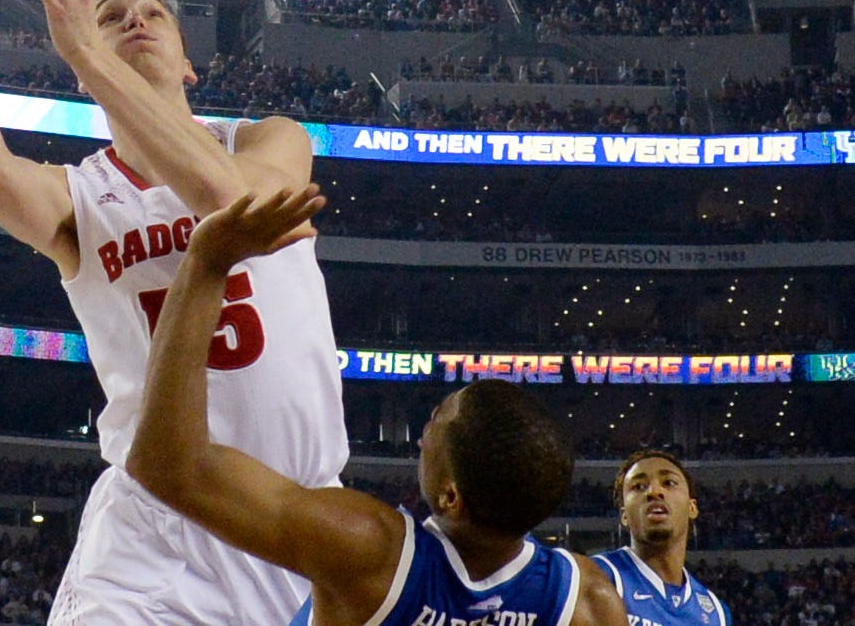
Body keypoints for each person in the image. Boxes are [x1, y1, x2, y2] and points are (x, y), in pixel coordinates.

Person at [0, 0, 347, 624]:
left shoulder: (270, 139)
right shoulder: (80, 195)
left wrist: (90, 52)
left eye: (152, 15)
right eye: (110, 18)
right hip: (153, 536)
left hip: (297, 525)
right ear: (87, 71)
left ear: (187, 63)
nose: (133, 21)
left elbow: (232, 205)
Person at [127, 187, 630, 626]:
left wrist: (206, 263)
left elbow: (170, 465)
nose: (421, 436)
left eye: (435, 423)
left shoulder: (370, 551)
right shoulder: (588, 599)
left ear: (452, 497)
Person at [592, 450, 732, 626]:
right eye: (638, 486)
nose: (654, 491)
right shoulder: (595, 577)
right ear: (624, 515)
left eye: (669, 482)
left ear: (692, 507)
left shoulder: (716, 613)